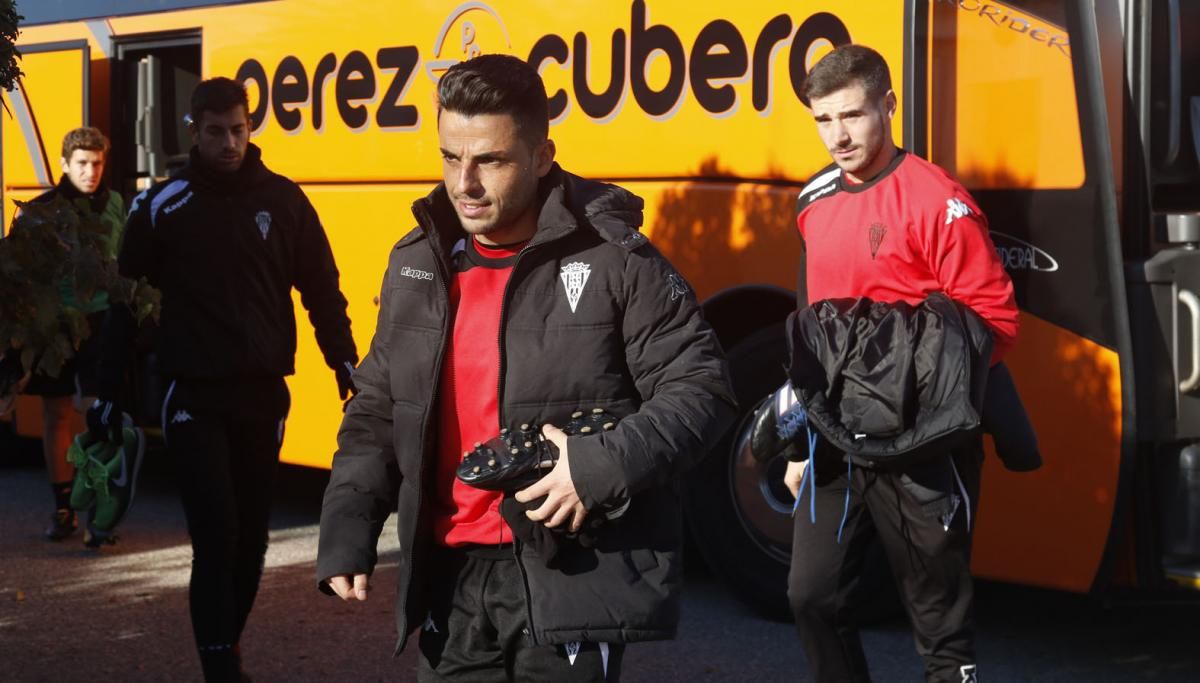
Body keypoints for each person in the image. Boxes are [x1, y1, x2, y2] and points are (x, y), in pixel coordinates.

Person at [317, 54, 736, 682]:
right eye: (451, 157)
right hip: (449, 580)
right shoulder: (416, 263)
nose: (465, 183)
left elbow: (703, 388)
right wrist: (349, 526)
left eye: (490, 160)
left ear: (542, 156)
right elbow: (378, 403)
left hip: (567, 572)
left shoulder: (617, 259)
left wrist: (594, 469)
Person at [88, 77, 358, 682]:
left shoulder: (285, 201)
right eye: (216, 132)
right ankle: (220, 667)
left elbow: (321, 291)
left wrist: (345, 363)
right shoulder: (162, 205)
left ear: (250, 125)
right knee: (217, 535)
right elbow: (125, 305)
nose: (230, 142)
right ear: (194, 131)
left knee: (253, 540)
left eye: (238, 129)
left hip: (263, 391)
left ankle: (223, 646)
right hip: (192, 393)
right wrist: (107, 392)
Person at [786, 45, 1019, 682]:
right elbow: (814, 325)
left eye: (852, 116)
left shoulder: (938, 200)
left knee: (941, 628)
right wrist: (801, 441)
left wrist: (914, 393)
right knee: (812, 597)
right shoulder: (811, 202)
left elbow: (995, 319)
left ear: (888, 106)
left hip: (925, 444)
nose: (838, 135)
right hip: (835, 439)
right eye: (823, 120)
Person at [17, 127, 126, 544]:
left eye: (97, 163)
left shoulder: (115, 203)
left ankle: (99, 511)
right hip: (59, 324)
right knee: (57, 412)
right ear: (64, 165)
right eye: (82, 163)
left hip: (103, 321)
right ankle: (63, 508)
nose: (91, 171)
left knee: (100, 415)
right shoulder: (43, 210)